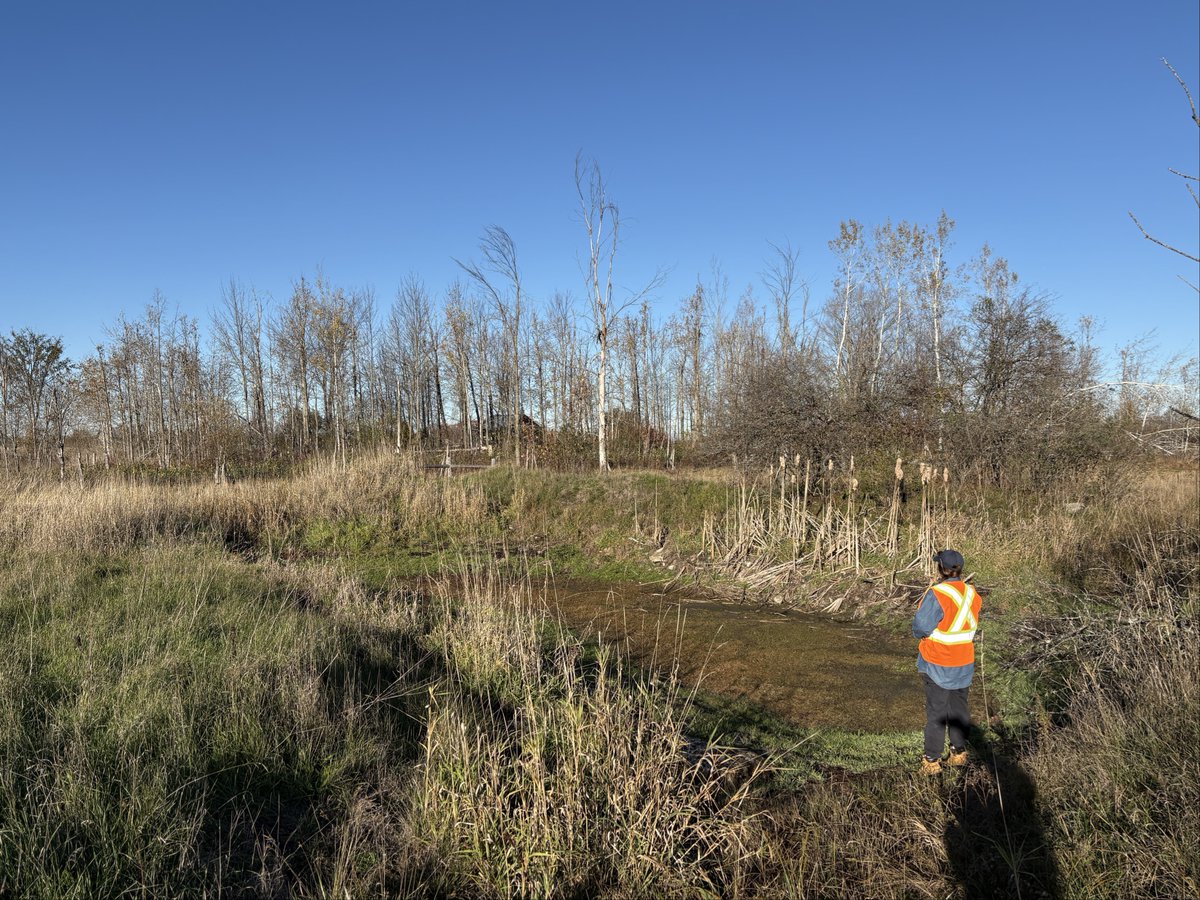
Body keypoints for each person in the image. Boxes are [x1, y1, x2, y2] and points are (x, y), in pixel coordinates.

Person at [913, 548, 981, 774]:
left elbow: (921, 627)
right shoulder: (973, 593)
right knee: (959, 710)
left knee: (937, 714)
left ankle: (932, 761)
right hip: (964, 663)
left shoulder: (937, 593)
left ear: (940, 569)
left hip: (938, 663)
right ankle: (958, 753)